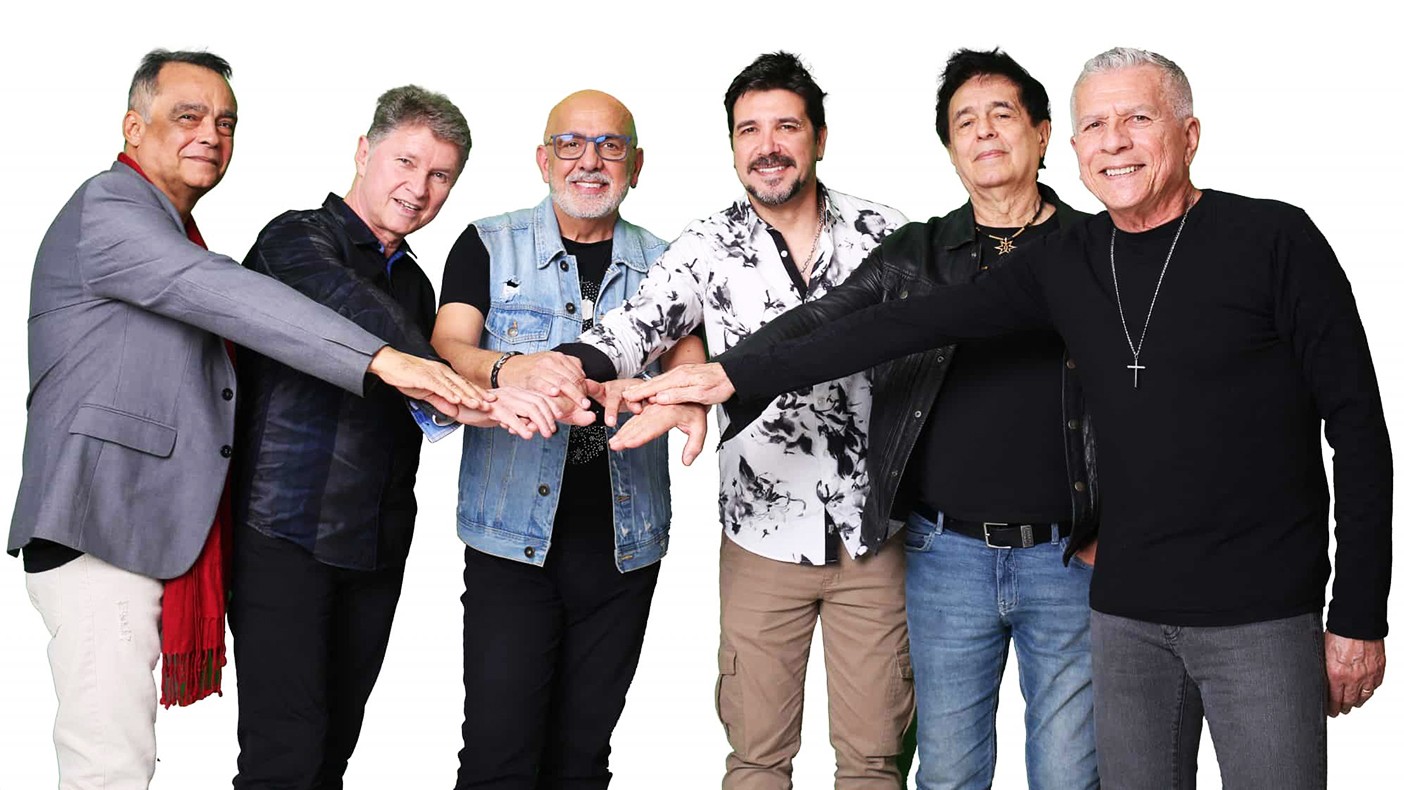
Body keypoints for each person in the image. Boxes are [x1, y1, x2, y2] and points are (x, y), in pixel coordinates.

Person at [628, 47, 1391, 790]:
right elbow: (888, 325)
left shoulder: (1273, 239)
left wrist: (1358, 613)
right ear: (1076, 145)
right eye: (1097, 125)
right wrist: (728, 375)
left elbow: (1357, 426)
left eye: (1137, 119)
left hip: (1252, 610)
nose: (1114, 142)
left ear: (1188, 134)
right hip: (1122, 610)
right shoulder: (1068, 261)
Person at [9, 50, 478, 790]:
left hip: (160, 526)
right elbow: (222, 294)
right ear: (133, 127)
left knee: (144, 760)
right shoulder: (111, 209)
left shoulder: (177, 232)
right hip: (99, 522)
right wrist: (395, 362)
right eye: (187, 116)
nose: (210, 134)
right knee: (110, 767)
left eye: (225, 122)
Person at [568, 52, 912, 789]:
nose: (768, 145)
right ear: (731, 146)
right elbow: (638, 323)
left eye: (786, 126)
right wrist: (567, 366)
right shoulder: (704, 246)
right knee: (756, 759)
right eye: (749, 130)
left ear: (820, 137)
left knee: (875, 758)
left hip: (876, 535)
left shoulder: (888, 235)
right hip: (760, 537)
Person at [228, 85, 528, 790]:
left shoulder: (417, 285)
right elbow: (350, 309)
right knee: (284, 755)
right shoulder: (294, 240)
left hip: (375, 543)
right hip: (283, 533)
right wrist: (454, 379)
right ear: (364, 152)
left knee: (334, 748)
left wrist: (474, 398)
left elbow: (417, 406)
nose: (419, 188)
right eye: (405, 162)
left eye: (440, 175)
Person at [429, 89, 699, 789]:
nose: (590, 160)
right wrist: (508, 367)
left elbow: (690, 363)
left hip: (622, 550)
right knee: (497, 758)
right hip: (510, 543)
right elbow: (447, 345)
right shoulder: (487, 243)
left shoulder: (670, 263)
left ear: (636, 164)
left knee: (581, 761)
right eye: (571, 144)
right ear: (543, 160)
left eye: (610, 145)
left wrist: (670, 392)